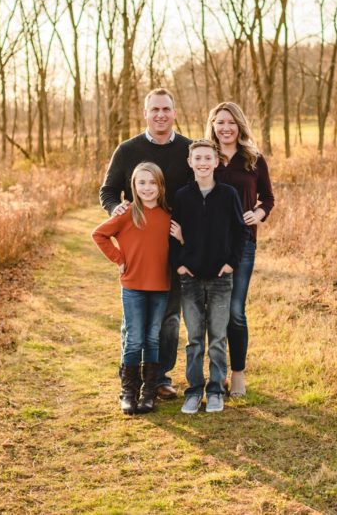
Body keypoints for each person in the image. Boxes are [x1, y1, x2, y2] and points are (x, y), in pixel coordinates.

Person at [99, 88, 192, 400]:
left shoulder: (189, 150)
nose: (161, 115)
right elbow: (108, 190)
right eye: (155, 110)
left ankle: (160, 377)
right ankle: (132, 378)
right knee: (134, 322)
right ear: (146, 113)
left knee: (168, 319)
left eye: (166, 109)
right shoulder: (127, 150)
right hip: (138, 251)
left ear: (174, 112)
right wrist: (118, 210)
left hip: (174, 248)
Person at [169, 139, 245, 414]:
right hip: (189, 277)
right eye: (197, 158)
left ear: (216, 162)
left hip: (220, 279)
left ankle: (215, 390)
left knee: (217, 338)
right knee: (194, 339)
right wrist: (179, 264)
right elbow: (172, 234)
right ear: (190, 163)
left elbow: (240, 233)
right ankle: (193, 391)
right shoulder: (182, 196)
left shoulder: (228, 195)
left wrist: (231, 264)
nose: (202, 163)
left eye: (207, 158)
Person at [207, 102, 275, 398]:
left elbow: (268, 198)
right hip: (209, 244)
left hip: (243, 243)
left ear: (240, 125)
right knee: (213, 311)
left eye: (231, 122)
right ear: (213, 125)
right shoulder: (205, 157)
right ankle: (216, 373)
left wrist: (258, 214)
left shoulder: (254, 159)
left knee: (235, 310)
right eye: (220, 122)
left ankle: (237, 373)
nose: (226, 127)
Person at [92, 163, 172, 415]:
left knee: (152, 337)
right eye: (142, 183)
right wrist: (119, 258)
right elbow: (99, 235)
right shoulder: (127, 214)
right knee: (134, 338)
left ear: (160, 186)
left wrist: (181, 237)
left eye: (152, 183)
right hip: (133, 285)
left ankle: (149, 393)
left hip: (160, 285)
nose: (147, 188)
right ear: (133, 187)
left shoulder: (168, 215)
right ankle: (129, 392)